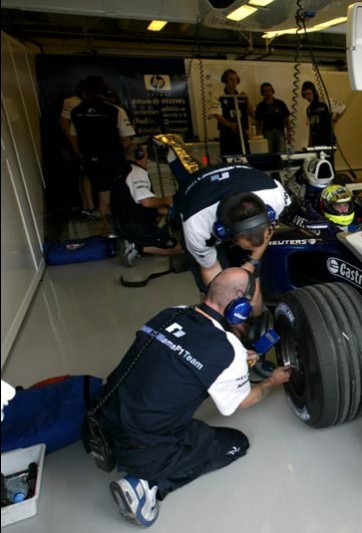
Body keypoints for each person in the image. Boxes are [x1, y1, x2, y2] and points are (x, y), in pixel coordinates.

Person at [99, 268, 292, 527]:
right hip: (143, 445)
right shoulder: (228, 349)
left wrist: (232, 364)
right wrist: (273, 380)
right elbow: (238, 403)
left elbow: (180, 357)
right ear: (239, 306)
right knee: (237, 443)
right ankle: (146, 484)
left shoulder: (171, 312)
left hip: (102, 415)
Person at [176, 163, 291, 303]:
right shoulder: (196, 228)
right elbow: (210, 269)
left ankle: (255, 320)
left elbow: (270, 229)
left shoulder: (275, 196)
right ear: (224, 233)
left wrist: (252, 263)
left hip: (248, 182)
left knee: (252, 282)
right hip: (196, 199)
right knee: (209, 293)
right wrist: (225, 307)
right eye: (248, 246)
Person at [70, 75, 135, 233]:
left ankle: (110, 236)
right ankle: (128, 234)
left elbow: (75, 138)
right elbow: (126, 139)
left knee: (103, 198)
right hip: (114, 161)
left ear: (84, 92)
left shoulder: (76, 112)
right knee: (123, 197)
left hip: (92, 161)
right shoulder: (116, 110)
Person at [111, 143, 182, 267]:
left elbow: (135, 204)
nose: (148, 159)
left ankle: (133, 242)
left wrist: (170, 211)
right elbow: (146, 202)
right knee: (176, 248)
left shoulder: (121, 171)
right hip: (136, 226)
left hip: (122, 224)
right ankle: (136, 247)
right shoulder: (137, 172)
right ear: (140, 155)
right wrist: (168, 200)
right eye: (146, 155)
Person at [60, 79, 95, 217]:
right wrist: (74, 143)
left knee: (85, 173)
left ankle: (87, 206)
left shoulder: (96, 102)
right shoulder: (71, 101)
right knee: (85, 173)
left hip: (90, 143)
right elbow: (64, 122)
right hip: (79, 143)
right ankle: (89, 206)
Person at [210, 69, 255, 157]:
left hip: (241, 133)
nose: (234, 82)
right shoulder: (219, 96)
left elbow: (254, 114)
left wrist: (247, 101)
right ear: (225, 80)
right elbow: (217, 115)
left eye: (236, 80)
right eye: (231, 79)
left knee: (245, 158)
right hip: (227, 133)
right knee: (229, 158)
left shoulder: (241, 96)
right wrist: (231, 125)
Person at [301, 81, 346, 149]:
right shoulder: (309, 109)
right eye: (305, 95)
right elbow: (311, 127)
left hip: (327, 139)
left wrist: (334, 121)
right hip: (316, 141)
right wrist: (309, 144)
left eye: (309, 94)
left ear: (314, 92)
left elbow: (343, 108)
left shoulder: (326, 101)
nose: (307, 97)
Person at [255, 82, 291, 153]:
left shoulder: (280, 103)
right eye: (265, 91)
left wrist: (289, 133)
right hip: (267, 133)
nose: (268, 93)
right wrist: (258, 135)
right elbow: (258, 122)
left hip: (280, 132)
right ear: (262, 93)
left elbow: (287, 119)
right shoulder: (260, 106)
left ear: (272, 91)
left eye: (269, 90)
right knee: (270, 154)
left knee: (281, 153)